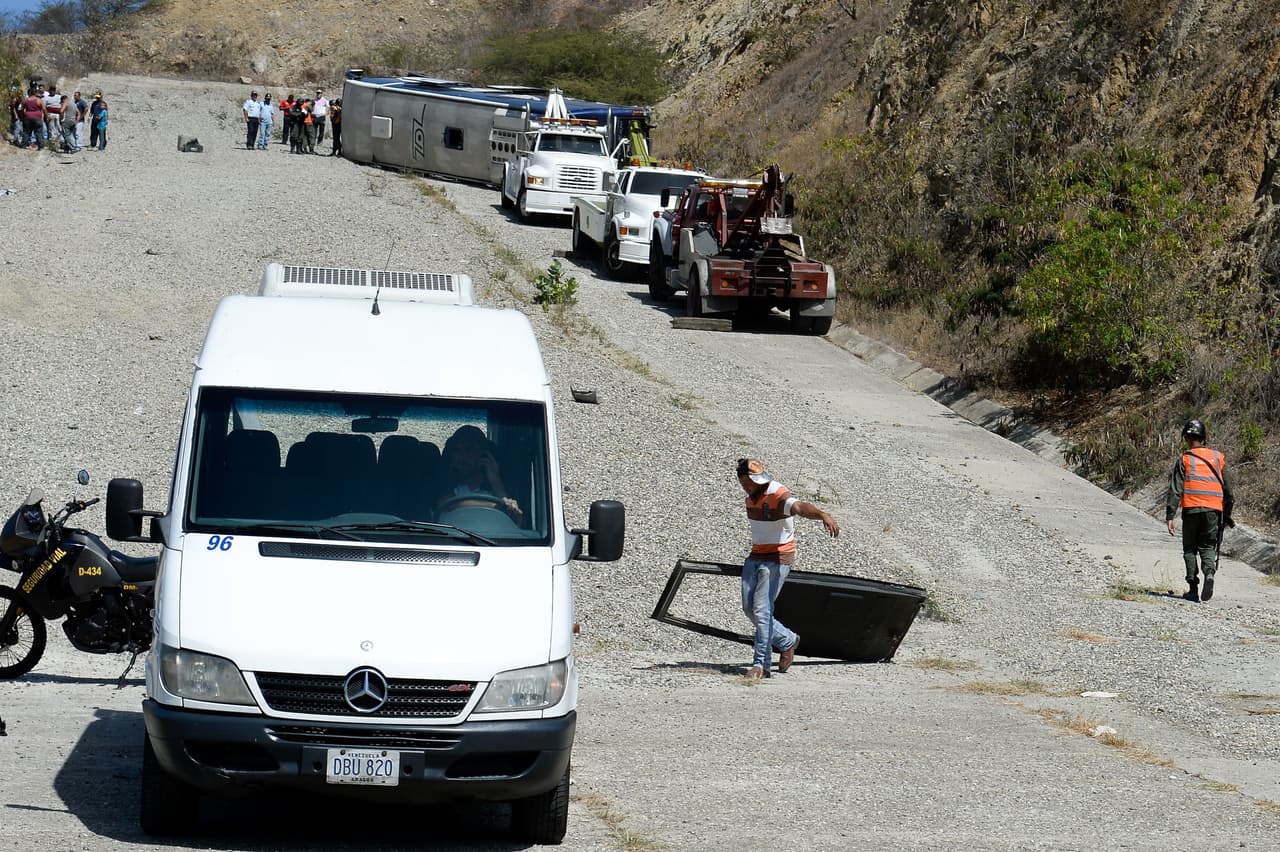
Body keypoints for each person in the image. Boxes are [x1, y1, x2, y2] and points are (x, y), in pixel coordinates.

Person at [736, 457, 839, 679]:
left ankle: (760, 665)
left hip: (777, 558)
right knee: (749, 608)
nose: (755, 485)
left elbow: (799, 507)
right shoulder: (750, 496)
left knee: (762, 610)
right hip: (756, 555)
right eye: (750, 481)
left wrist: (822, 514)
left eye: (757, 481)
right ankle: (787, 640)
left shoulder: (776, 493)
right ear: (743, 480)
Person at [1166, 419, 1234, 603]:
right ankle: (1209, 573)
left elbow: (1176, 489)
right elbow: (1229, 491)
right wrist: (1226, 514)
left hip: (1191, 509)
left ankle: (1193, 588)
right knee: (1207, 546)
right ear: (1204, 438)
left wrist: (1170, 515)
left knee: (1190, 549)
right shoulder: (1219, 458)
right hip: (1213, 510)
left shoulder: (1185, 459)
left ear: (1186, 438)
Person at [437, 425, 523, 521]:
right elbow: (449, 504)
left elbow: (513, 521)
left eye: (469, 449)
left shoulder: (501, 491)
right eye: (456, 450)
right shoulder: (445, 488)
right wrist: (498, 506)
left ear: (484, 455)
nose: (462, 456)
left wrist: (496, 482)